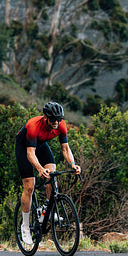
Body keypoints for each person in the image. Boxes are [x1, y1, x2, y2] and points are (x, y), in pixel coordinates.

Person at [15, 102, 81, 245]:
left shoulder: (61, 125)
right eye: (53, 119)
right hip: (25, 149)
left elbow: (65, 149)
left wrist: (73, 164)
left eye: (59, 119)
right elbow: (30, 153)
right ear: (45, 117)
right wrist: (39, 169)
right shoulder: (33, 126)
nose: (56, 122)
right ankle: (25, 227)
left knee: (52, 174)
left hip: (41, 145)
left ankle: (46, 208)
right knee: (29, 187)